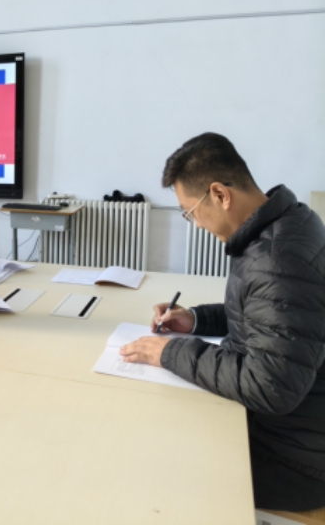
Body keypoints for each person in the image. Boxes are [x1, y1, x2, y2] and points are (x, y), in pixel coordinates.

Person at [119, 133, 325, 512]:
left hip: (294, 461)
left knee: (149, 463)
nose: (196, 225)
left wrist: (170, 353)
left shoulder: (277, 258)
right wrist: (194, 319)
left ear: (220, 194)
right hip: (293, 431)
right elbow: (262, 313)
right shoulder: (285, 224)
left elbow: (270, 387)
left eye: (191, 212)